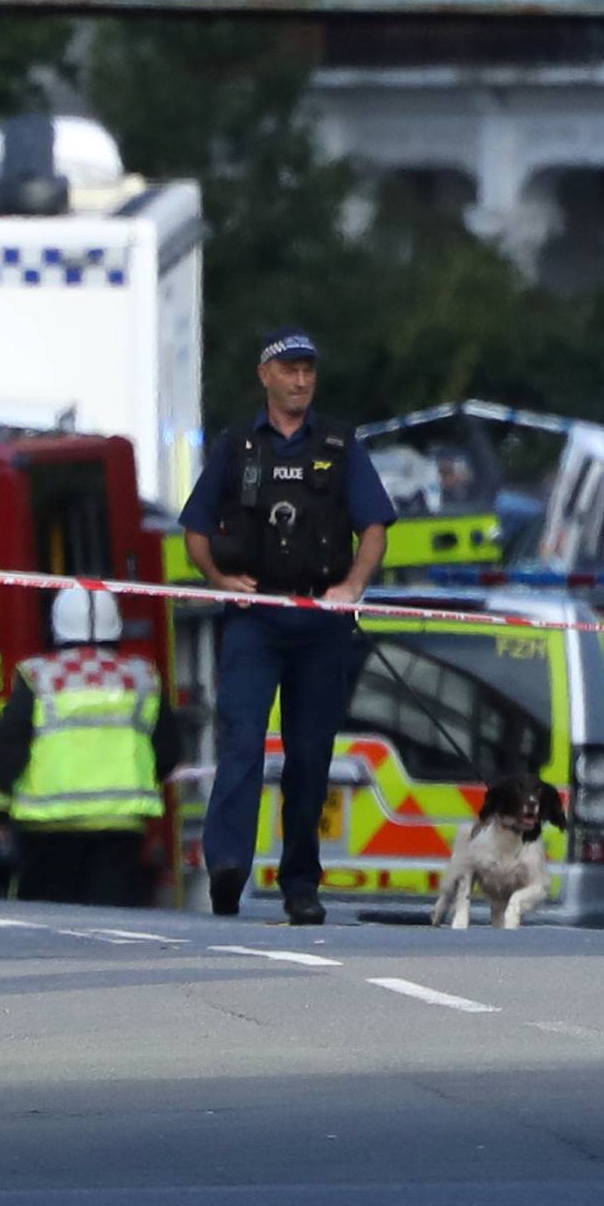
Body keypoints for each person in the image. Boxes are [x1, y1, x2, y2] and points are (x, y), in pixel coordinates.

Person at [180, 328, 394, 924]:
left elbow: (374, 525)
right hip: (254, 619)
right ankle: (227, 869)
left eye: (308, 371)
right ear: (265, 375)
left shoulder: (339, 443)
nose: (301, 380)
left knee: (309, 757)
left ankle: (301, 884)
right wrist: (220, 581)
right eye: (290, 369)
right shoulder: (237, 446)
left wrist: (352, 587)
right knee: (243, 743)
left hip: (319, 624)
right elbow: (196, 528)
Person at [0, 585, 179, 907]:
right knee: (113, 925)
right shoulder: (143, 678)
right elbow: (169, 752)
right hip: (120, 829)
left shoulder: (37, 676)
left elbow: (9, 745)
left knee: (47, 929)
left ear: (56, 624)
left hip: (46, 830)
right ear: (116, 625)